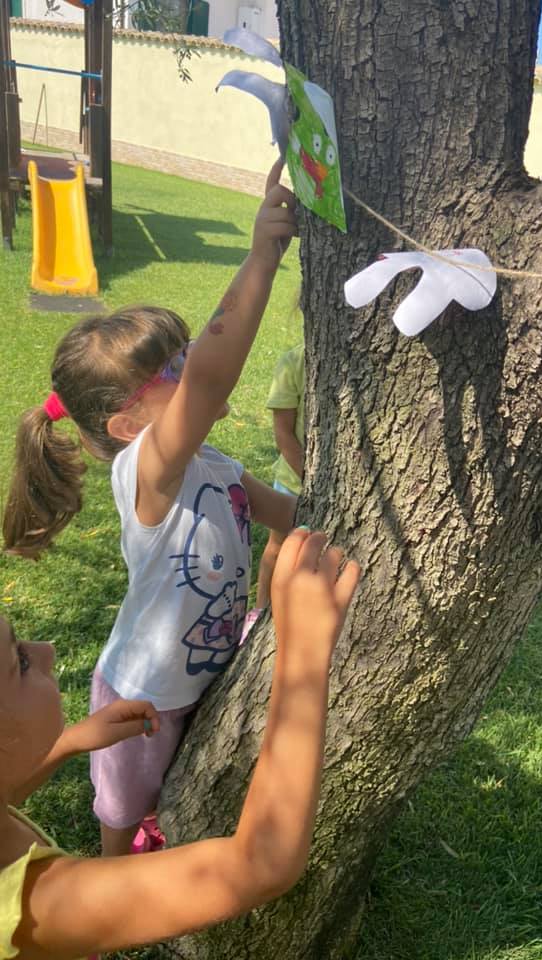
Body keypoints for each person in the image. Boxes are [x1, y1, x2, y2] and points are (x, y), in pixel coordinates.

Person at [2, 160, 298, 857]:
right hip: (145, 691)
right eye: (174, 370)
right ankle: (110, 873)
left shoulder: (217, 466)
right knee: (124, 803)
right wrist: (259, 257)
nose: (194, 367)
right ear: (127, 427)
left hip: (210, 666)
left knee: (184, 783)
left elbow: (291, 513)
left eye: (186, 352)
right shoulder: (148, 473)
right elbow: (217, 373)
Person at [0, 527, 361, 960]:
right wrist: (303, 653)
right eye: (18, 661)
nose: (46, 651)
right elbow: (263, 863)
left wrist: (68, 743)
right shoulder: (36, 906)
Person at [254, 342, 305, 610]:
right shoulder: (293, 361)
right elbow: (283, 434)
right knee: (278, 544)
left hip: (336, 485)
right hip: (292, 482)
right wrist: (310, 479)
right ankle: (260, 608)